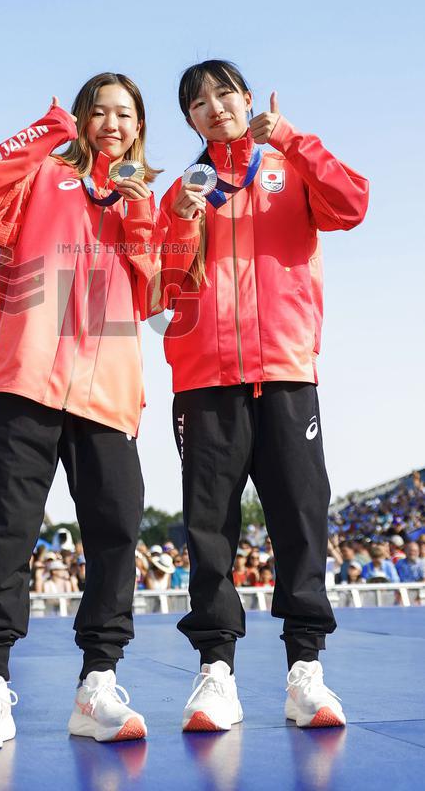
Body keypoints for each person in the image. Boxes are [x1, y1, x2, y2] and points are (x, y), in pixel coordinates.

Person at [0, 74, 173, 751]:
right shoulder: (43, 173)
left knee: (116, 532)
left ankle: (96, 683)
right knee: (4, 532)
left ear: (139, 127)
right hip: (27, 376)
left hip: (107, 389)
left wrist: (138, 209)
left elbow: (159, 291)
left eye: (124, 113)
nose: (111, 121)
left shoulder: (147, 198)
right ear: (80, 119)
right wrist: (45, 130)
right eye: (97, 110)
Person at [157, 59, 368, 732]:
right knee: (210, 527)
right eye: (198, 102)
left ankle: (305, 669)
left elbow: (352, 206)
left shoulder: (288, 163)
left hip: (283, 371)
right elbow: (161, 289)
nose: (214, 107)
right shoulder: (182, 189)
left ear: (247, 99)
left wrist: (295, 137)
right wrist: (181, 227)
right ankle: (215, 673)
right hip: (204, 379)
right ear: (188, 119)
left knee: (300, 518)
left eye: (224, 94)